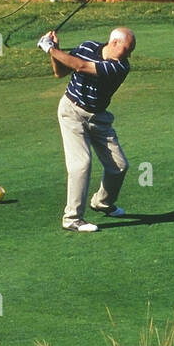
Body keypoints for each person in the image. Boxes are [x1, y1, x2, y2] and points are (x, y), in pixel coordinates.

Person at [38, 26, 136, 232]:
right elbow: (60, 72)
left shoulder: (120, 67)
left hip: (99, 118)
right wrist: (55, 49)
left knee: (119, 166)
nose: (129, 55)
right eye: (127, 49)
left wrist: (49, 49)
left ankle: (102, 202)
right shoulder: (87, 47)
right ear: (114, 42)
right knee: (81, 164)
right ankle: (72, 218)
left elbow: (81, 67)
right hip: (71, 112)